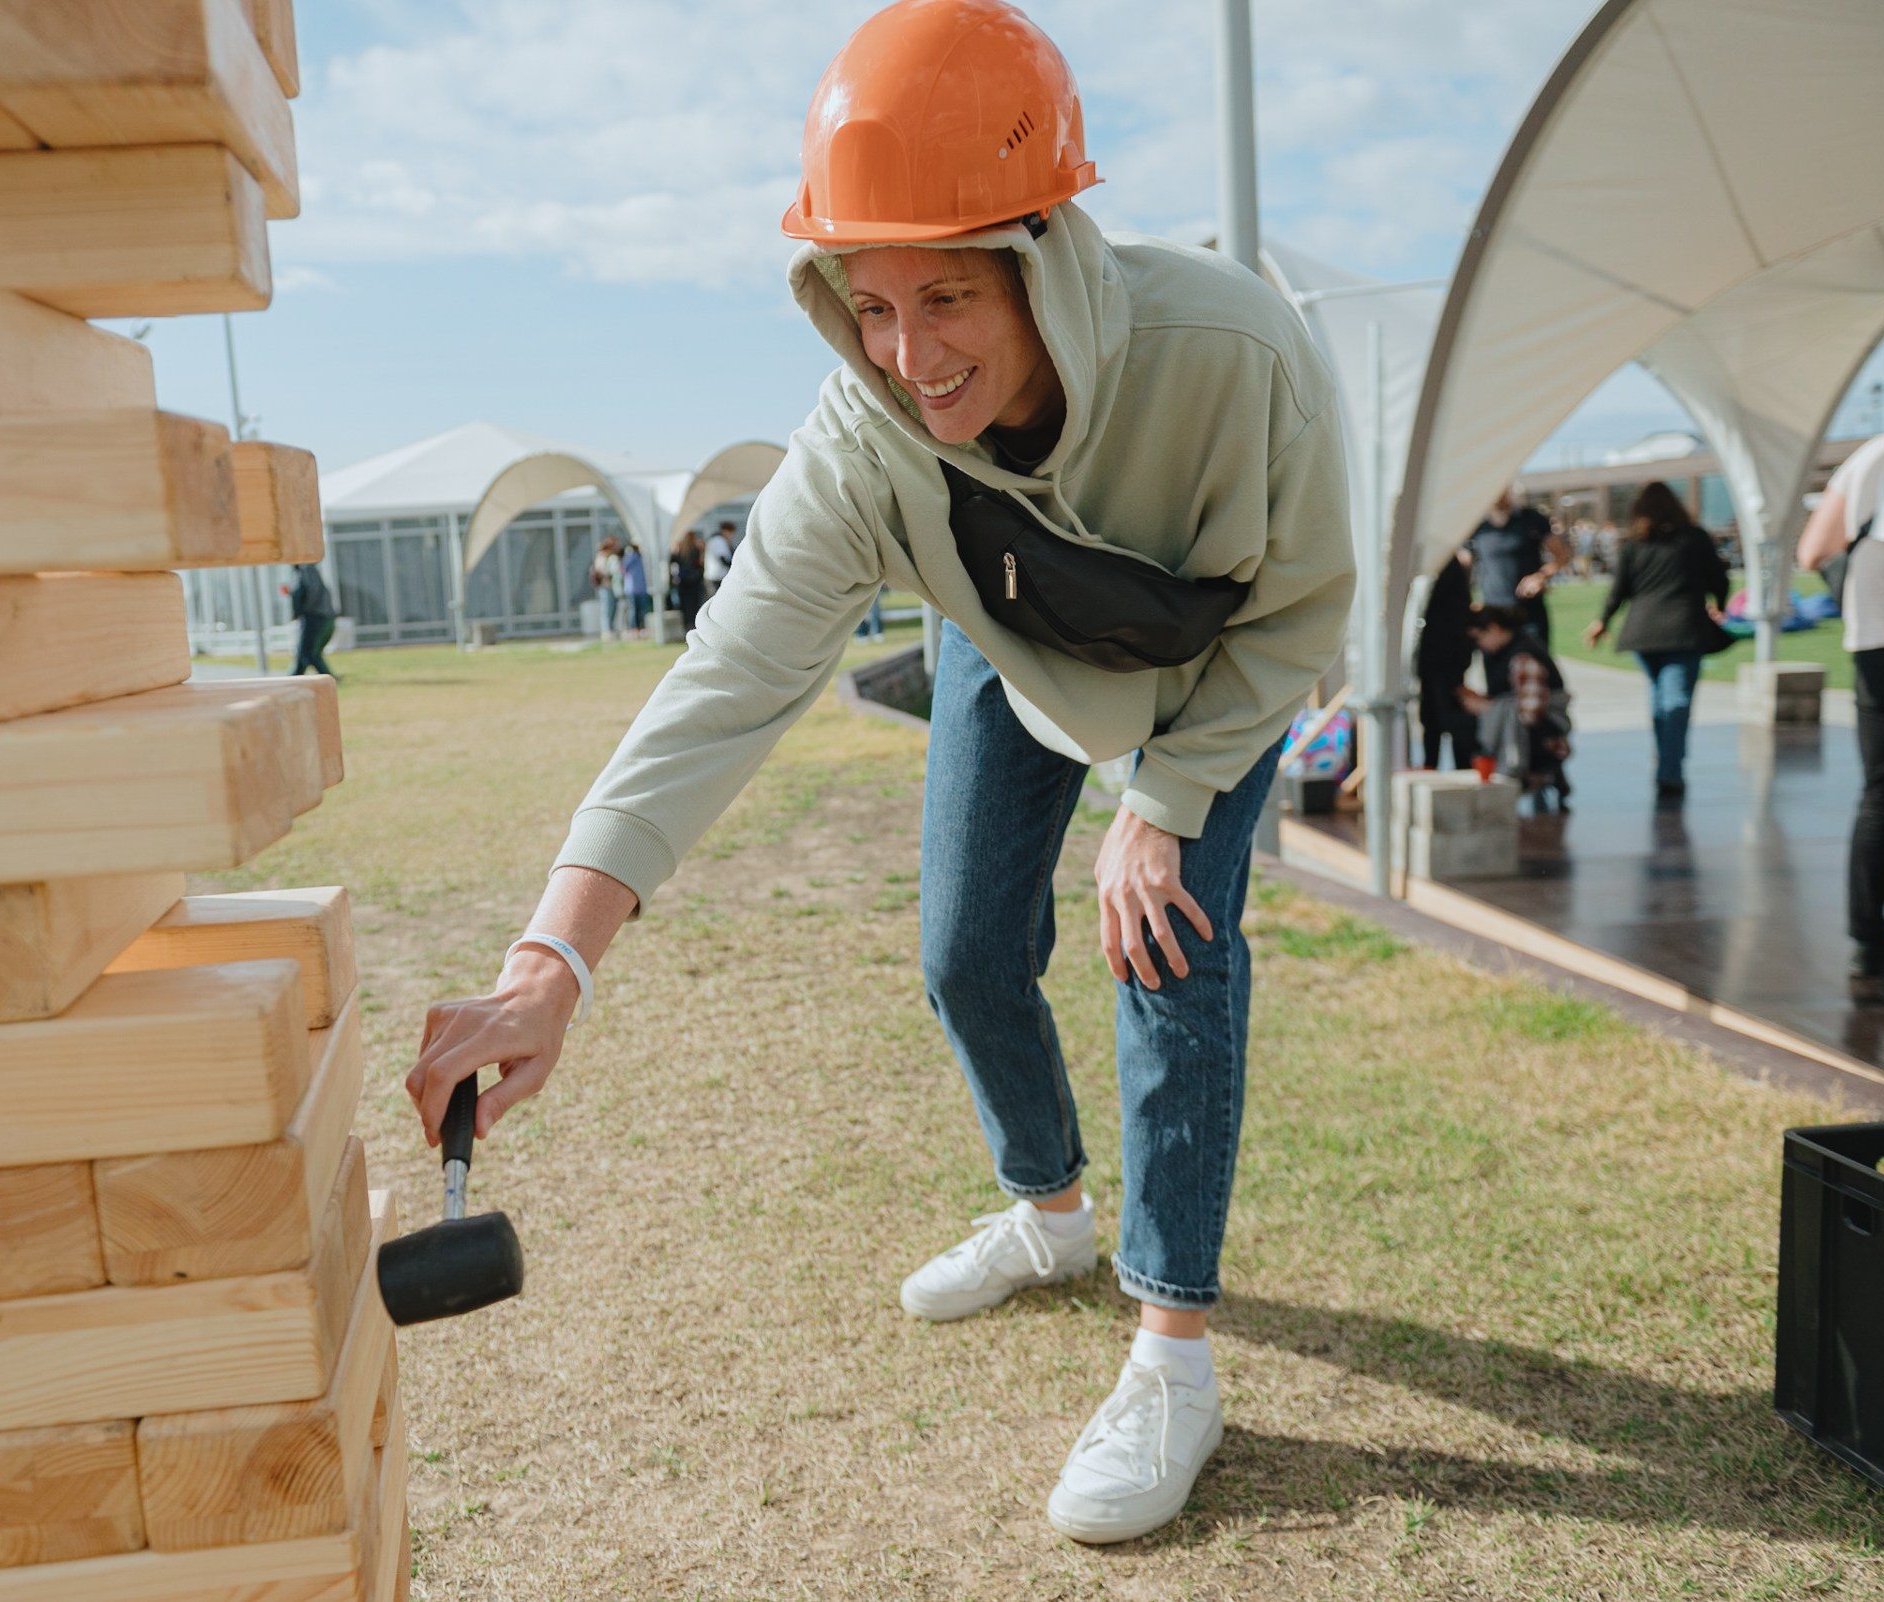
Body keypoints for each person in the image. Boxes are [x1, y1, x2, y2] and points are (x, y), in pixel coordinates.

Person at [404, 0, 1353, 1547]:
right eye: (870, 302)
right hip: (1008, 634)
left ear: (1045, 250)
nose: (910, 353)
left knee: (1164, 951)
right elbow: (724, 684)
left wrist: (1160, 811)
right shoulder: (865, 432)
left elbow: (1304, 603)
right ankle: (1051, 1214)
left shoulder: (1234, 353)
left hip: (1204, 683)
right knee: (964, 952)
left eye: (950, 295)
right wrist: (547, 965)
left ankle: (1172, 1353)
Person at [1796, 421, 1884, 1004]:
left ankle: (1866, 941)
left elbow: (1812, 552)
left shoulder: (1881, 451)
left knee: (1882, 796)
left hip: (1879, 643)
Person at [1581, 482, 1727, 801]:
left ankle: (1666, 758)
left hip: (1643, 633)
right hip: (1684, 630)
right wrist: (1721, 604)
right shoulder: (1694, 538)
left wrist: (1601, 622)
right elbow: (1719, 578)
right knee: (1675, 701)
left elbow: (1618, 590)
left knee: (1663, 697)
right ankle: (1670, 770)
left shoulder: (1634, 544)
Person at [1462, 605, 1570, 811]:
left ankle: (1522, 774)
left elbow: (1530, 713)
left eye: (1479, 638)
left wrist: (1488, 707)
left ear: (1494, 629)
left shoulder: (1523, 657)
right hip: (1534, 727)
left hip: (1542, 733)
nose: (1479, 646)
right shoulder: (1507, 652)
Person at [1467, 488, 1569, 644]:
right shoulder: (1477, 526)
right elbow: (1465, 564)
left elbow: (1561, 556)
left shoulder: (1531, 518)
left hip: (1528, 612)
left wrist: (1540, 577)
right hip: (1494, 616)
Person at [1415, 550, 1478, 770]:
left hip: (1445, 652)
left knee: (1448, 713)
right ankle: (1431, 763)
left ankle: (1462, 765)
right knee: (1431, 714)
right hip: (1435, 653)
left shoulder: (1443, 563)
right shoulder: (1440, 562)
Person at [282, 563, 338, 676]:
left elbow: (305, 592)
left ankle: (327, 676)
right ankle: (295, 678)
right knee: (305, 652)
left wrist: (297, 609)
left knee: (307, 652)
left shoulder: (305, 570)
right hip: (318, 614)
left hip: (315, 615)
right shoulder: (310, 570)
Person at [669, 529, 708, 629]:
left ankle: (686, 625)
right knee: (694, 604)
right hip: (694, 582)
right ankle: (693, 624)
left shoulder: (680, 551)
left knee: (685, 605)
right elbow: (700, 566)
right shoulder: (695, 550)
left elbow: (673, 563)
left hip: (683, 582)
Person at [590, 536, 623, 640]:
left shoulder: (611, 557)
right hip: (605, 587)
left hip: (611, 586)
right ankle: (606, 631)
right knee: (607, 609)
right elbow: (601, 571)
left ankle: (611, 629)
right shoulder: (601, 557)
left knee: (613, 608)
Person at [620, 540, 652, 636]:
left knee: (633, 610)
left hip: (632, 589)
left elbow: (622, 570)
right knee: (642, 610)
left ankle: (634, 628)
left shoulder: (628, 558)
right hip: (641, 588)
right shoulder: (641, 558)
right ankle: (642, 627)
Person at [704, 520, 737, 592]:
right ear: (725, 531)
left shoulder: (715, 539)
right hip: (716, 576)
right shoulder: (719, 541)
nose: (731, 536)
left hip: (713, 575)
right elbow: (723, 559)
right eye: (730, 533)